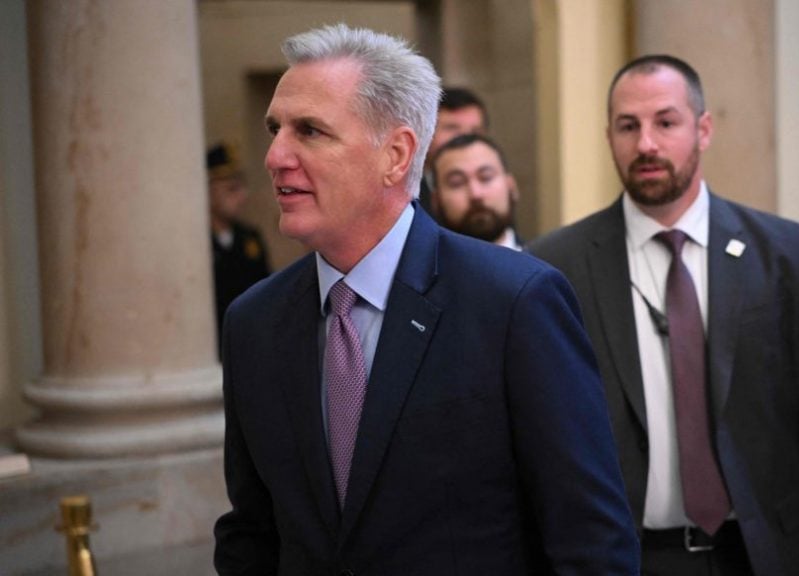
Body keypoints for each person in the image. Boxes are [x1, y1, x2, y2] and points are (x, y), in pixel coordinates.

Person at [213, 22, 639, 575]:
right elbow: (252, 534)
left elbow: (591, 541)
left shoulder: (513, 303)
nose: (275, 156)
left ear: (395, 155)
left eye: (310, 131)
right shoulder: (253, 322)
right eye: (276, 129)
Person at [530, 54, 799, 576]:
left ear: (703, 130)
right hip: (629, 559)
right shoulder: (555, 268)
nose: (646, 144)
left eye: (666, 122)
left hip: (766, 557)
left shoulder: (785, 257)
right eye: (628, 126)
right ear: (609, 137)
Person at [207, 142, 270, 354]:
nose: (242, 197)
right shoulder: (198, 244)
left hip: (247, 342)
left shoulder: (249, 238)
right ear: (209, 192)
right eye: (231, 189)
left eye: (241, 187)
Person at [431, 133, 522, 249]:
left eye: (486, 177)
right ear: (436, 200)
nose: (475, 194)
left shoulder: (540, 258)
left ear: (511, 186)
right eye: (457, 183)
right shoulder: (418, 261)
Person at [419, 86, 487, 216]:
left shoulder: (494, 189)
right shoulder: (407, 194)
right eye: (452, 128)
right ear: (426, 133)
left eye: (475, 131)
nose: (465, 138)